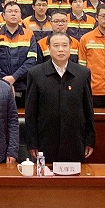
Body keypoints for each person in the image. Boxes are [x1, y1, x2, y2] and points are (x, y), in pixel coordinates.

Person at [25, 33, 96, 164]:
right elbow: (31, 112)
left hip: (75, 139)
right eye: (56, 46)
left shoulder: (83, 73)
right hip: (45, 139)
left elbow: (88, 109)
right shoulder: (35, 73)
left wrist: (90, 139)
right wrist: (32, 143)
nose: (61, 49)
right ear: (49, 48)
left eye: (64, 45)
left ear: (70, 47)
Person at [0, 2, 37, 93]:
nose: (13, 14)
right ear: (3, 15)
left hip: (24, 85)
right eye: (10, 11)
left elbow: (32, 60)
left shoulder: (29, 34)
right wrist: (5, 79)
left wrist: (14, 77)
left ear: (21, 15)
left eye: (16, 11)